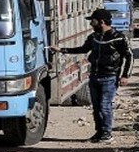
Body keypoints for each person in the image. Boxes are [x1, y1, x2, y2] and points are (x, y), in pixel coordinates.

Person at [51, 8, 133, 143]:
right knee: (96, 107)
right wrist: (62, 50)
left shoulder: (119, 37)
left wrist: (125, 75)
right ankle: (99, 132)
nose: (91, 24)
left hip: (109, 77)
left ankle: (107, 133)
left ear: (102, 22)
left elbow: (129, 56)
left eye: (93, 21)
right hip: (94, 76)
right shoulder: (93, 37)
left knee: (104, 106)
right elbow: (83, 49)